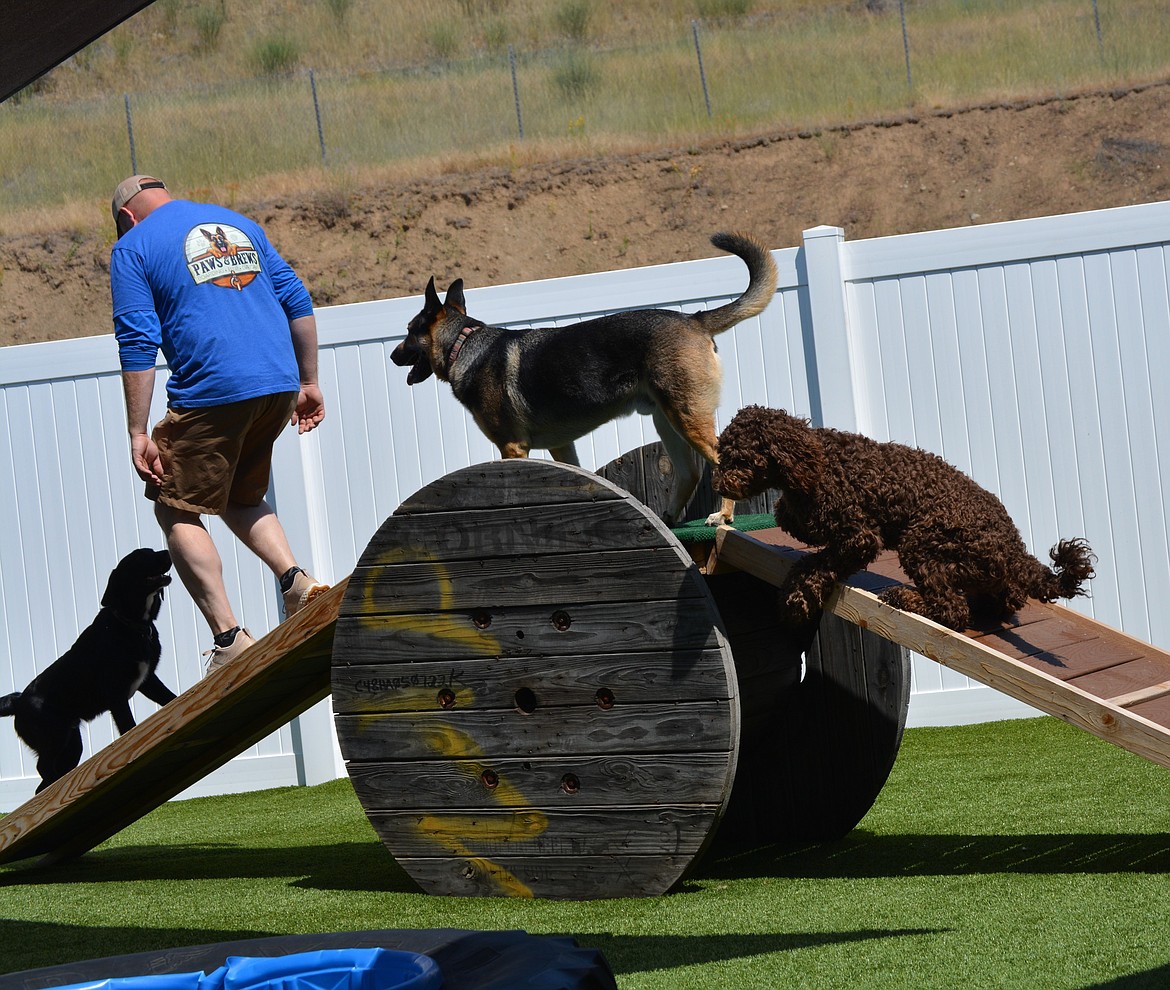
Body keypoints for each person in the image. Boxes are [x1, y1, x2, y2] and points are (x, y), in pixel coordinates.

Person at [109, 175, 329, 674]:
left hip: (213, 392)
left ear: (127, 217)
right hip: (277, 385)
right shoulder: (238, 223)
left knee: (176, 509)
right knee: (239, 496)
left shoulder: (134, 247)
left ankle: (229, 638)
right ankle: (297, 583)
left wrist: (138, 432)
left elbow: (138, 341)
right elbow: (296, 299)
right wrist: (309, 381)